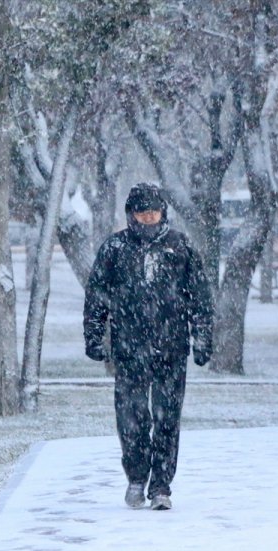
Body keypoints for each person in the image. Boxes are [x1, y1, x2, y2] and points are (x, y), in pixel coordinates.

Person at [83, 183, 214, 511]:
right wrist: (94, 337)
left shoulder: (179, 247)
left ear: (163, 212)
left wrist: (203, 337)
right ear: (131, 214)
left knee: (168, 418)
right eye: (142, 213)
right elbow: (97, 296)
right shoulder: (115, 249)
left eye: (153, 212)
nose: (148, 218)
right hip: (129, 349)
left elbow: (199, 296)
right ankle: (136, 478)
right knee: (132, 418)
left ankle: (161, 487)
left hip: (172, 348)